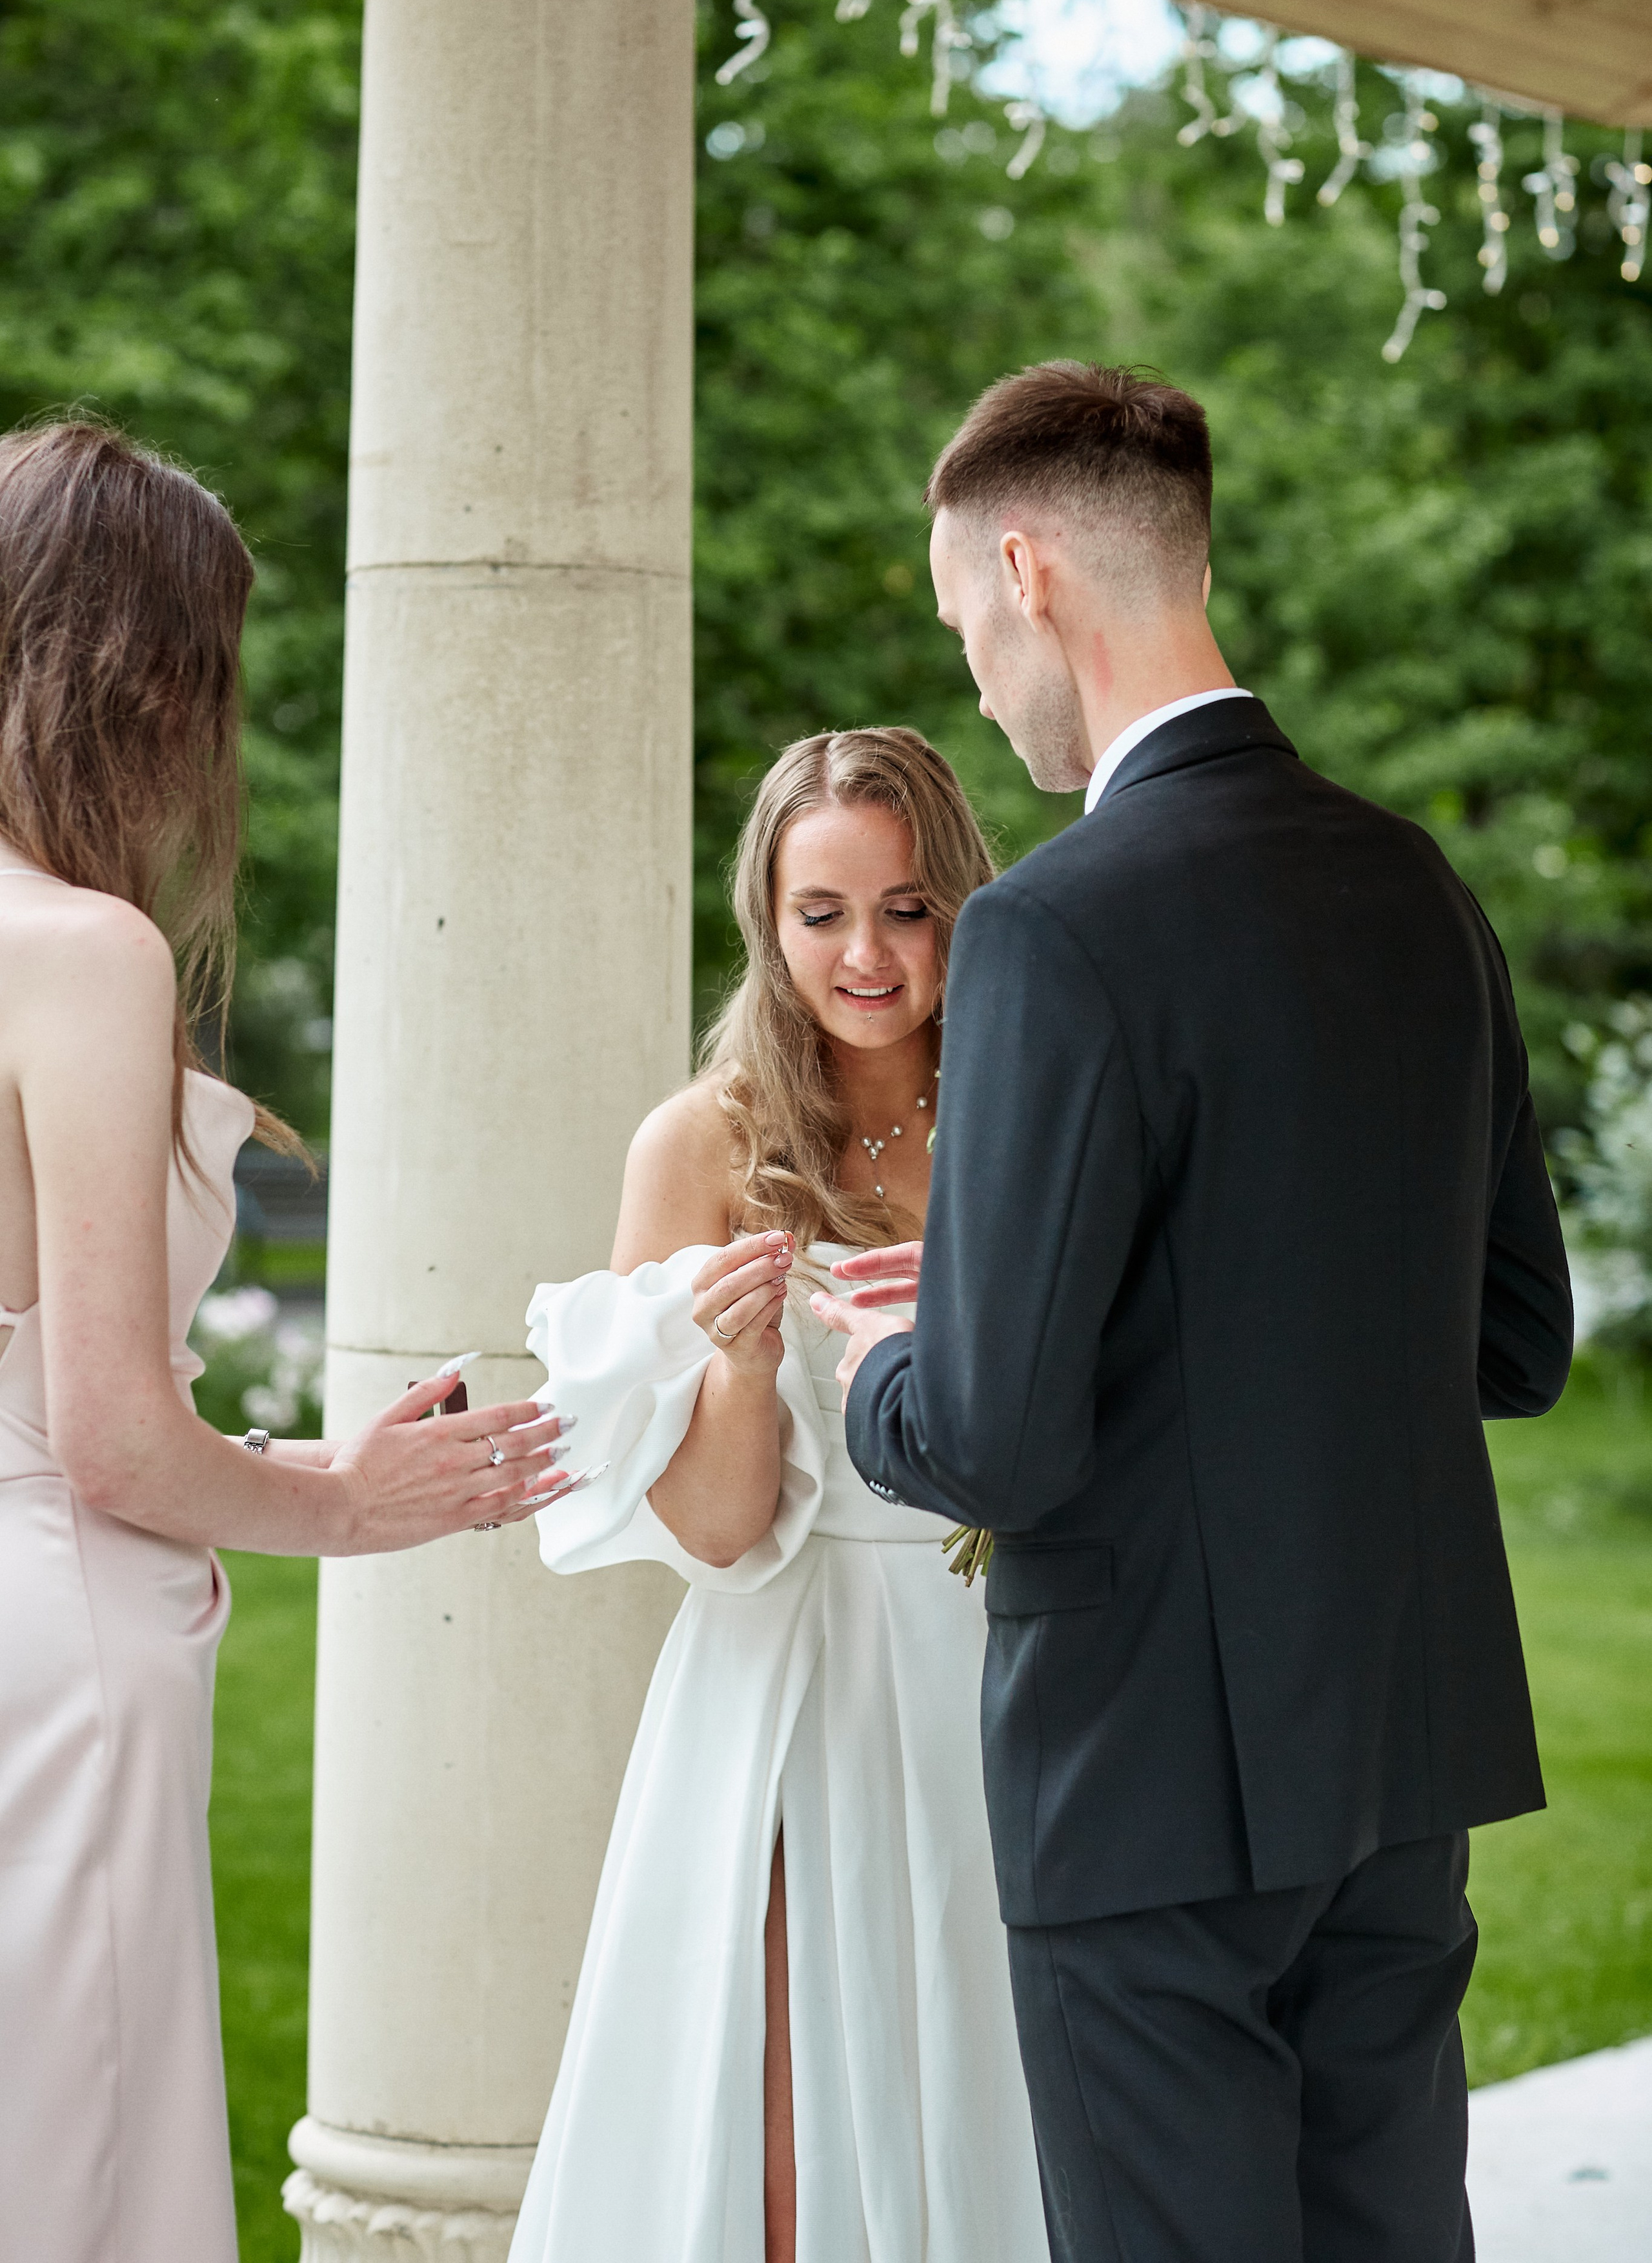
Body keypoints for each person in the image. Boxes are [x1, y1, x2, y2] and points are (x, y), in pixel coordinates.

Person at [816, 361, 1574, 2263]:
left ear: (1026, 572)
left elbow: (990, 1440)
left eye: (966, 628)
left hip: (1139, 1776)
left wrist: (881, 1361)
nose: (981, 680)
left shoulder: (1053, 925)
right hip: (1391, 1750)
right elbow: (1515, 1338)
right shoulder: (1420, 890)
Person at [0, 422, 575, 2263]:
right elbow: (107, 1438)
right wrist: (352, 1502)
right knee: (68, 2172)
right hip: (56, 1659)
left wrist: (308, 1462)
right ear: (134, 667)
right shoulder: (79, 954)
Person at [507, 728, 1048, 2263]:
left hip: (1012, 1659)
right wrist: (744, 1368)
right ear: (768, 916)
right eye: (823, 914)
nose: (866, 955)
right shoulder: (702, 1143)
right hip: (796, 1669)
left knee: (997, 2089)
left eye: (906, 908)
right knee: (785, 2114)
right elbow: (718, 1529)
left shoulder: (1029, 1107)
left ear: (962, 904)